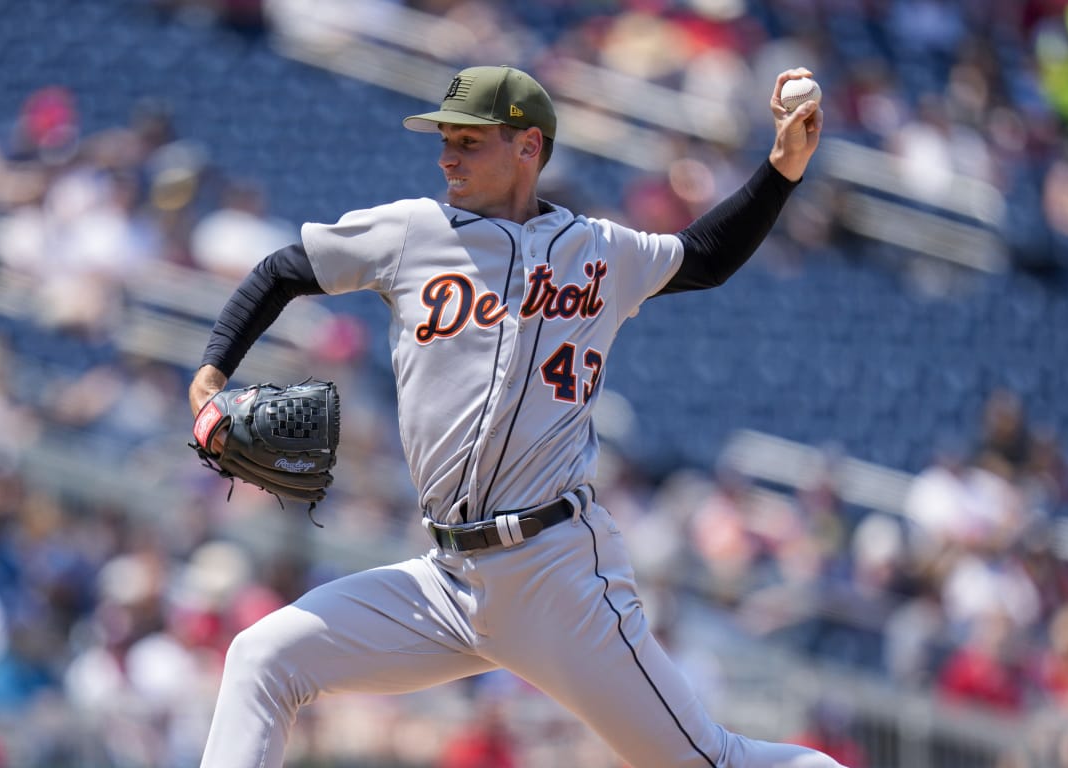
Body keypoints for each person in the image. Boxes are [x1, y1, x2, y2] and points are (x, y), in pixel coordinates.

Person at [188, 64, 840, 767]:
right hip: (445, 580)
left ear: (528, 147)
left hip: (557, 574)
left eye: (469, 141)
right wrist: (212, 372)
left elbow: (705, 256)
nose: (446, 155)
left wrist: (781, 168)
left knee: (711, 762)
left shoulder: (599, 250)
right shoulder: (412, 232)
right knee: (264, 658)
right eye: (445, 139)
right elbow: (283, 269)